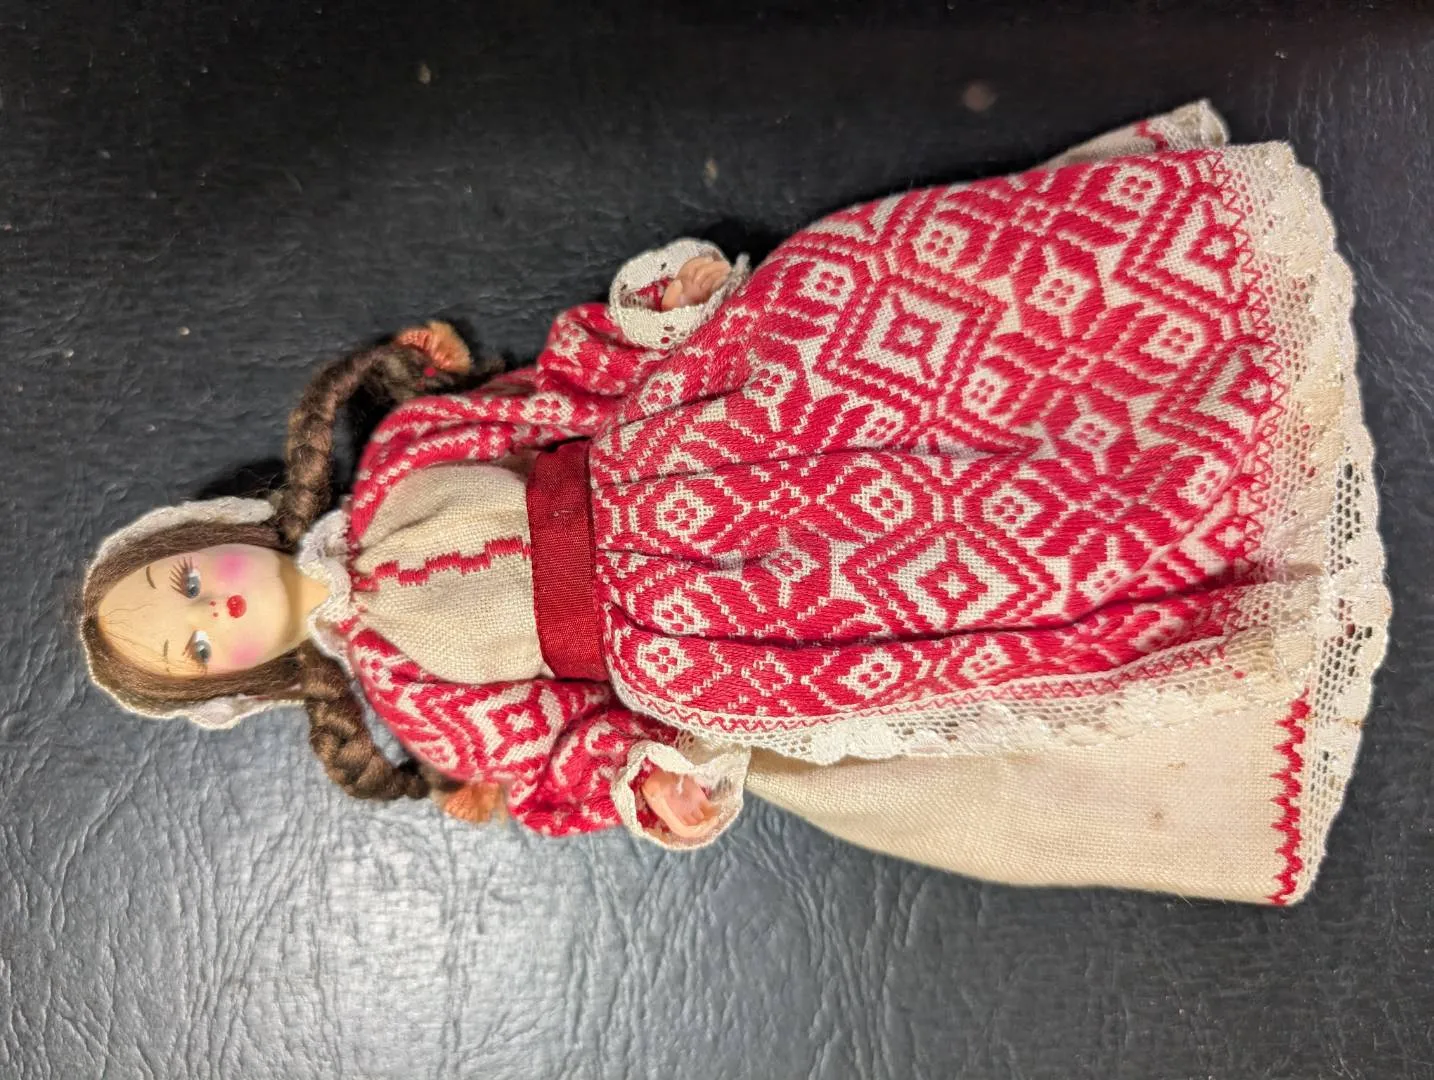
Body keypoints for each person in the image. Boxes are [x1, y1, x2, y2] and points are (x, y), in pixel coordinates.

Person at [80, 102, 1388, 903]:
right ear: (236, 684)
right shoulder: (421, 705)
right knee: (948, 589)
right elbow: (562, 754)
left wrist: (651, 328)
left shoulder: (407, 452)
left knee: (860, 316)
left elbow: (556, 397)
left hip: (686, 454)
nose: (212, 612)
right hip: (722, 635)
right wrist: (649, 781)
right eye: (195, 646)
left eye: (184, 583)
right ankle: (1210, 563)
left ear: (212, 535)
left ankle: (1188, 368)